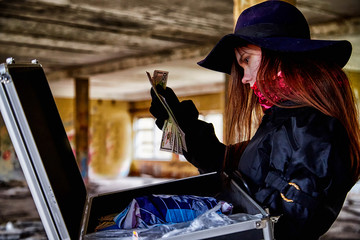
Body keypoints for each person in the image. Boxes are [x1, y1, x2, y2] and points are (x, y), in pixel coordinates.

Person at [149, 1, 360, 239]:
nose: (244, 79)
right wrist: (178, 123)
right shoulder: (282, 119)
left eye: (247, 60)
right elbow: (232, 168)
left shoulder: (313, 128)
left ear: (281, 55)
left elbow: (281, 222)